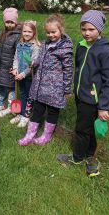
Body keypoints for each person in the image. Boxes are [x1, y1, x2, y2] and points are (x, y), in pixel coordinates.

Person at [57, 10, 109, 177]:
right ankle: (89, 156)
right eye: (83, 29)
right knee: (89, 129)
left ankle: (77, 157)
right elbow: (79, 68)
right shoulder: (82, 46)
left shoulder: (107, 52)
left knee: (82, 129)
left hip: (94, 100)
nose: (86, 33)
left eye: (91, 29)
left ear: (99, 29)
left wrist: (104, 107)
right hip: (81, 95)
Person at [19, 14, 73, 146]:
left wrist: (66, 89)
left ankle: (46, 136)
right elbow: (40, 59)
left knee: (53, 112)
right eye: (48, 32)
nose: (51, 35)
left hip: (55, 89)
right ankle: (29, 135)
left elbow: (68, 70)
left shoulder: (65, 49)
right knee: (37, 110)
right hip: (40, 86)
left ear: (61, 30)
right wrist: (34, 63)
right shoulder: (45, 44)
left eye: (54, 32)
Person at [10, 20, 41, 128]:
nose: (26, 34)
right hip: (19, 75)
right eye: (24, 31)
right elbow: (16, 59)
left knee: (29, 96)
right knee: (22, 94)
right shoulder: (20, 44)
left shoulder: (35, 46)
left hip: (29, 77)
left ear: (34, 33)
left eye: (29, 32)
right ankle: (20, 113)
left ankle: (26, 116)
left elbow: (32, 65)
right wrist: (15, 69)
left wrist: (23, 74)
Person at [0, 7, 21, 117]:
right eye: (7, 22)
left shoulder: (17, 36)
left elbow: (18, 53)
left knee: (10, 87)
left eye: (11, 22)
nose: (9, 25)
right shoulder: (1, 33)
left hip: (10, 66)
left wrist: (16, 67)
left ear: (15, 22)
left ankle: (11, 105)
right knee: (1, 85)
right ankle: (0, 103)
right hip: (1, 65)